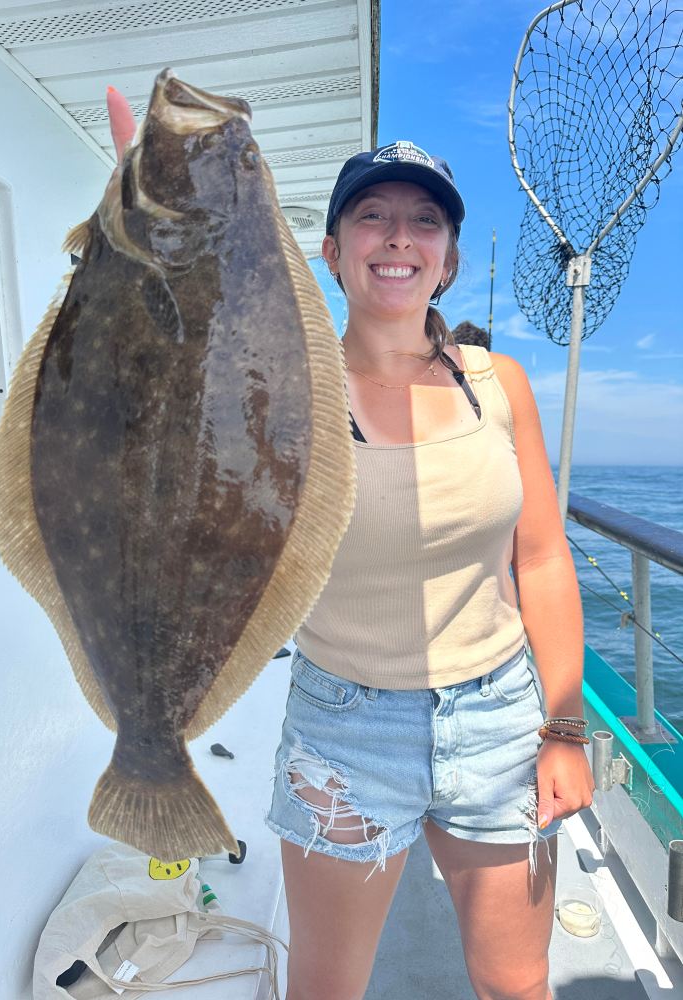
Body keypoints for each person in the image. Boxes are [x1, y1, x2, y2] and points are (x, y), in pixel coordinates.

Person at [107, 93, 594, 1000]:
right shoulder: (281, 390)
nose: (399, 237)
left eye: (424, 220)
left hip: (498, 717)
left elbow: (542, 559)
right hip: (343, 725)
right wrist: (155, 250)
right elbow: (178, 406)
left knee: (518, 986)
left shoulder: (504, 384)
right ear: (332, 252)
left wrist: (566, 728)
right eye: (372, 216)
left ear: (446, 257)